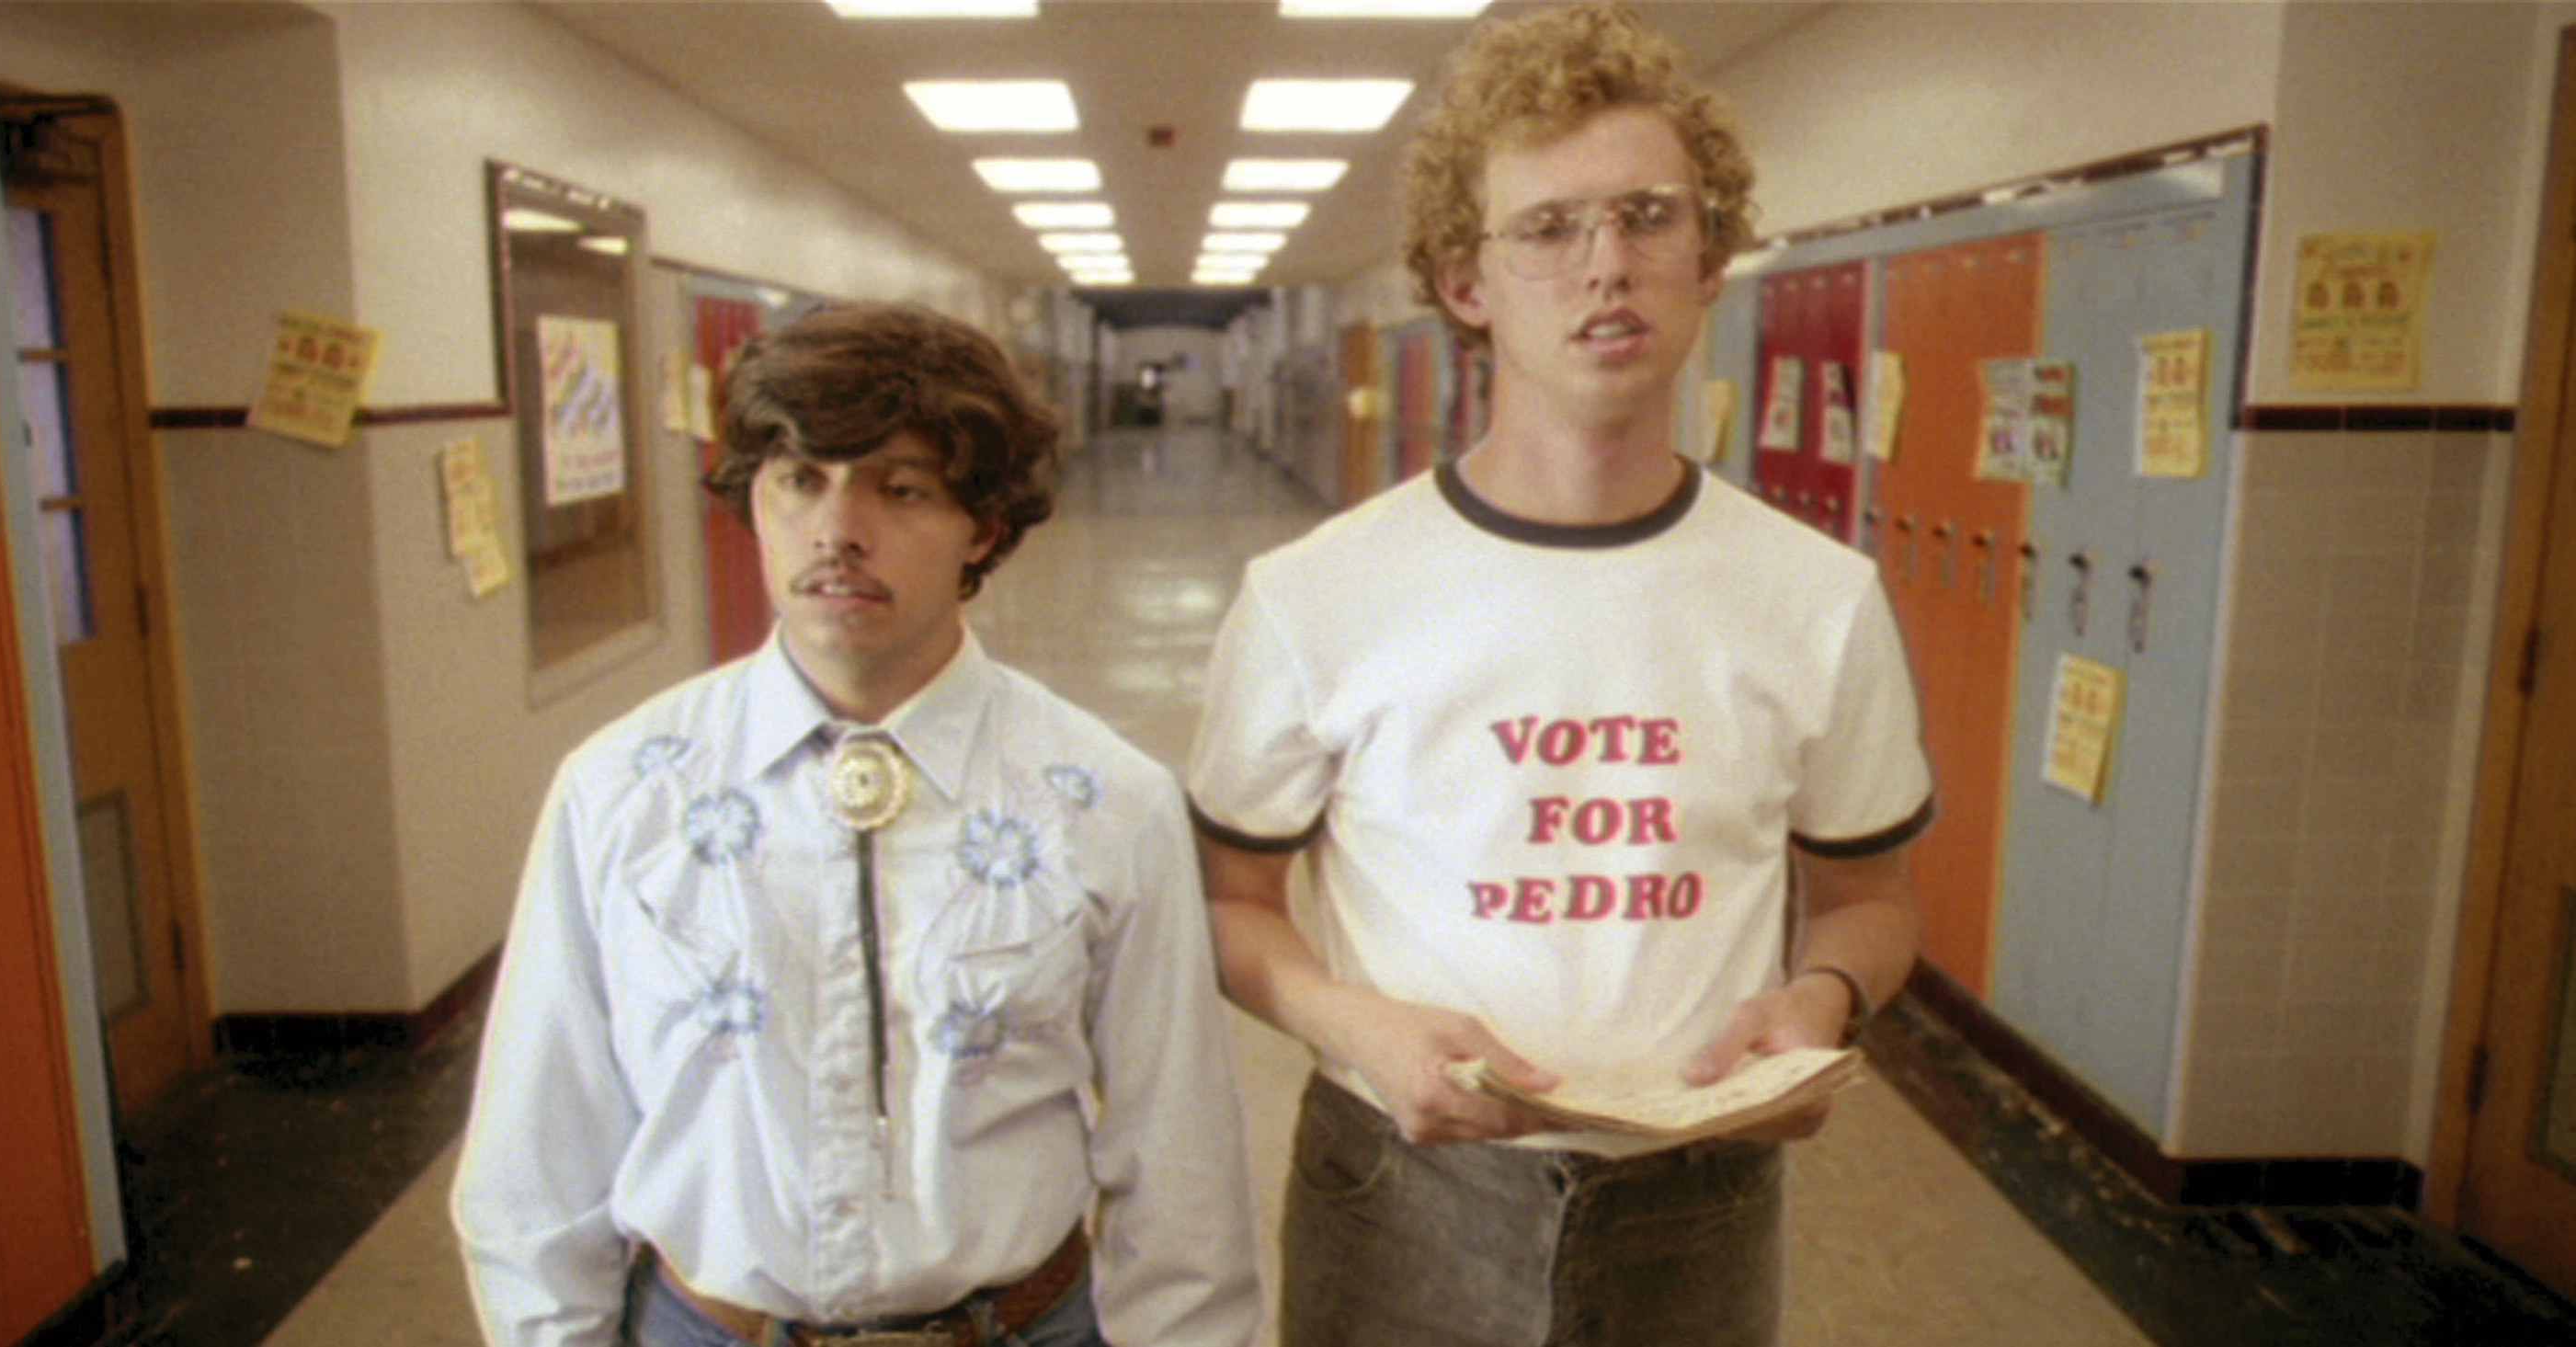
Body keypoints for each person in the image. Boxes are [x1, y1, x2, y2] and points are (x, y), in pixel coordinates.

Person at [1184, 6, 1935, 1346]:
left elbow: (1871, 898)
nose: (1609, 267)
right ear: (1465, 284)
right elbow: (1233, 900)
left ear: (1711, 262)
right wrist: (1354, 1024)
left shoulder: (1818, 598)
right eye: (1548, 229)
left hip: (1697, 1203)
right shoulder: (1317, 594)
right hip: (1396, 1187)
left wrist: (1820, 1001)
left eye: (1652, 217)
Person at [455, 303, 1260, 1347]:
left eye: (901, 488)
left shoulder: (1107, 798)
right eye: (799, 480)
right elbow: (537, 1151)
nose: (837, 529)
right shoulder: (622, 789)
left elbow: (1180, 1156)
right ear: (753, 500)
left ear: (986, 525)